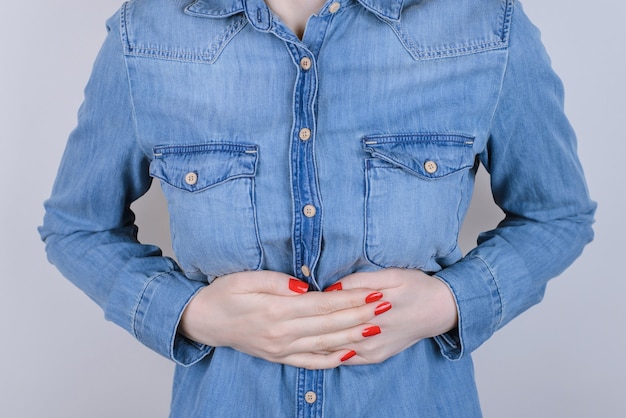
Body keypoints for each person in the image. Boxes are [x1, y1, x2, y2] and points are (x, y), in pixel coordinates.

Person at [40, 0, 596, 416]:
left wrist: (449, 302)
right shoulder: (149, 32)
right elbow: (77, 226)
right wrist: (193, 315)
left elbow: (557, 215)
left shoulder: (482, 23)